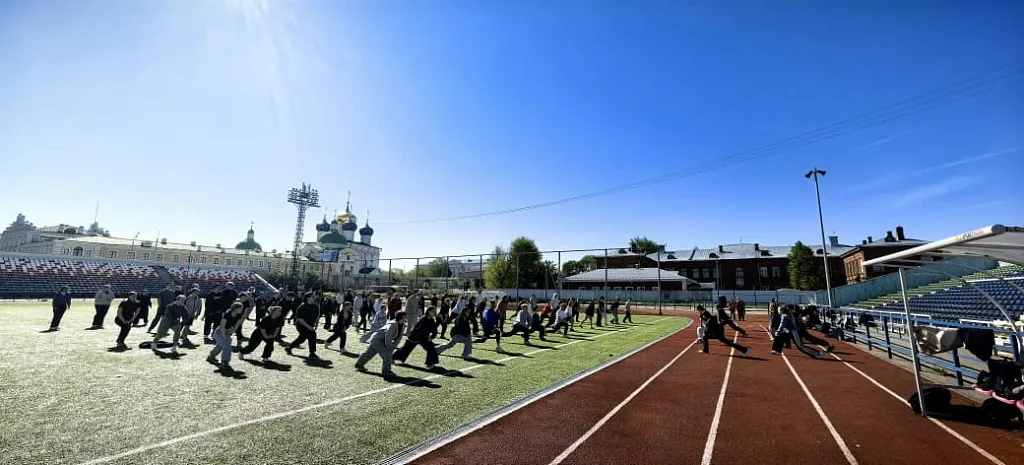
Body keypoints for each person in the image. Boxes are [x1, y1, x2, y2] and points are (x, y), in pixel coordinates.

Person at [355, 310, 407, 377]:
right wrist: (390, 346)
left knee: (369, 353)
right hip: (377, 340)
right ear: (402, 317)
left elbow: (399, 337)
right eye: (405, 316)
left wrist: (394, 346)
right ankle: (386, 371)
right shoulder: (393, 324)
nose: (407, 317)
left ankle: (359, 364)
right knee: (387, 354)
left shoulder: (402, 325)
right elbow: (388, 337)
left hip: (380, 340)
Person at [207, 302, 246, 369]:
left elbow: (236, 327)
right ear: (235, 309)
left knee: (220, 346)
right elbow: (222, 326)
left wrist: (229, 334)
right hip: (219, 332)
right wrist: (225, 336)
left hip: (227, 331)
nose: (242, 310)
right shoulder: (227, 314)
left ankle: (211, 356)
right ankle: (225, 362)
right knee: (227, 346)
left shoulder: (239, 315)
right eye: (240, 308)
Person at [286, 292, 322, 360]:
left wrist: (316, 325)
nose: (314, 298)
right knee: (312, 335)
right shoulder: (302, 307)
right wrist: (308, 327)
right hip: (301, 325)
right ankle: (312, 353)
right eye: (312, 297)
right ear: (308, 298)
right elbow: (300, 319)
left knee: (301, 339)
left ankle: (289, 348)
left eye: (314, 297)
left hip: (310, 325)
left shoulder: (315, 306)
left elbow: (317, 316)